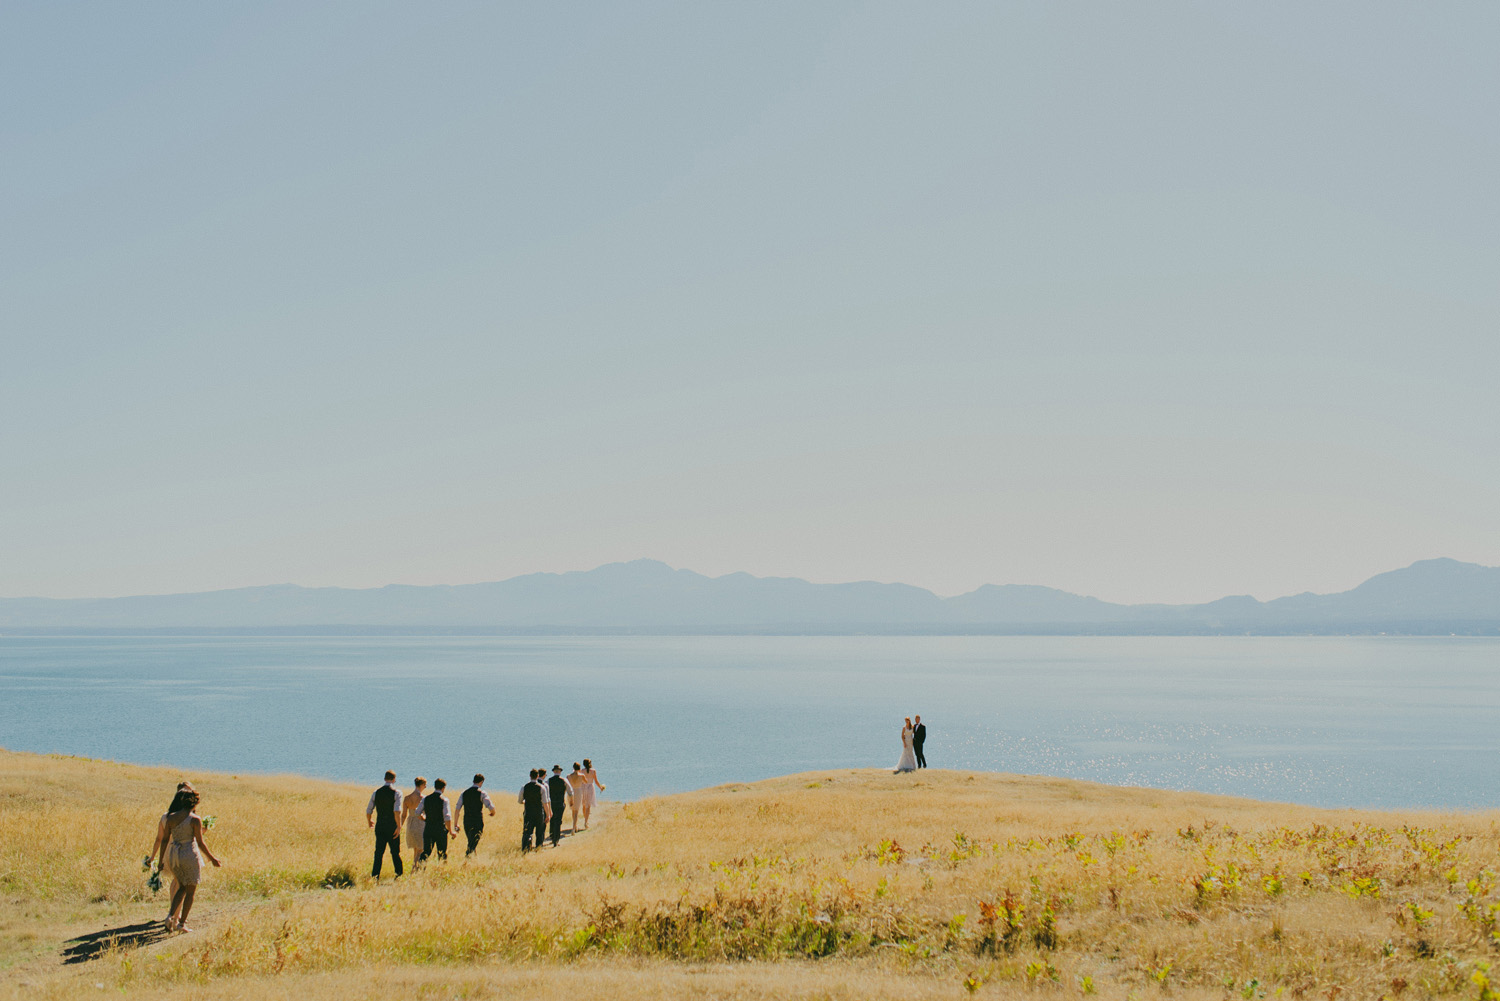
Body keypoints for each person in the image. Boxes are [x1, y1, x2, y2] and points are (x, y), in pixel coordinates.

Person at [159, 786, 222, 932]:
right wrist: (212, 858)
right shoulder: (195, 819)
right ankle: (181, 924)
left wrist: (162, 860)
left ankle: (170, 917)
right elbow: (200, 842)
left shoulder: (171, 818)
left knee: (181, 886)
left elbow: (164, 840)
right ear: (194, 803)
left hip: (174, 856)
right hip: (189, 854)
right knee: (190, 890)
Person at [148, 782, 194, 905]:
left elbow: (159, 839)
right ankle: (174, 914)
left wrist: (154, 857)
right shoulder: (188, 816)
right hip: (181, 852)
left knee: (177, 881)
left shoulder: (165, 816)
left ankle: (173, 911)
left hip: (168, 853)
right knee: (180, 883)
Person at [366, 770, 404, 879]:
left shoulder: (376, 792)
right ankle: (398, 875)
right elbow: (397, 811)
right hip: (392, 825)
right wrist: (399, 826)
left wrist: (370, 821)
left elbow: (369, 810)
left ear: (384, 779)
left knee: (378, 852)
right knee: (395, 852)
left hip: (380, 825)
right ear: (394, 779)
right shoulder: (397, 793)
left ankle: (375, 876)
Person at [454, 773, 496, 857]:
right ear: (481, 782)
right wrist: (492, 813)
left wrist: (456, 823)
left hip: (467, 821)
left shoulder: (464, 793)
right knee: (474, 841)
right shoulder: (482, 793)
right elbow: (490, 806)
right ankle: (467, 857)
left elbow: (457, 809)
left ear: (473, 781)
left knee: (471, 841)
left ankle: (473, 860)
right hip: (477, 821)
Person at [419, 778, 454, 862]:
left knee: (426, 851)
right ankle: (441, 870)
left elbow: (417, 812)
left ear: (435, 786)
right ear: (443, 788)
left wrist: (424, 819)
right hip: (440, 829)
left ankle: (420, 868)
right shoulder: (444, 800)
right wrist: (450, 830)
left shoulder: (426, 799)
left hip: (428, 828)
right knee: (442, 852)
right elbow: (447, 817)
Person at [518, 769, 551, 852]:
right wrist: (548, 814)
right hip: (539, 813)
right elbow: (545, 803)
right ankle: (538, 848)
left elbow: (520, 801)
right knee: (539, 832)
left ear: (530, 776)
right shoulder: (542, 788)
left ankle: (526, 848)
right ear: (537, 776)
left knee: (527, 832)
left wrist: (525, 801)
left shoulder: (524, 787)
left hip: (528, 812)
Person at [402, 777, 428, 861]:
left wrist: (399, 826)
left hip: (410, 824)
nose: (425, 787)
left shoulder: (407, 798)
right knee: (421, 849)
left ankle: (415, 867)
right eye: (425, 785)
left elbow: (403, 815)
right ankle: (415, 868)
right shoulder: (423, 798)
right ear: (422, 785)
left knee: (416, 850)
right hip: (420, 823)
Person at [546, 765, 572, 846]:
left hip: (552, 803)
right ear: (560, 772)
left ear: (554, 771)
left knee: (552, 819)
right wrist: (571, 801)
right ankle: (556, 840)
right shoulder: (564, 780)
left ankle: (552, 835)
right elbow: (570, 792)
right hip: (560, 803)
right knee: (558, 820)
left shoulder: (549, 781)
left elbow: (545, 791)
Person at [578, 758, 605, 830]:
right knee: (588, 805)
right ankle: (586, 821)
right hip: (590, 787)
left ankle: (585, 819)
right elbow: (596, 781)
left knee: (584, 804)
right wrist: (600, 787)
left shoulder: (581, 771)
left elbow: (580, 781)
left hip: (583, 787)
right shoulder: (593, 771)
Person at [566, 763, 586, 834]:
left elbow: (566, 785)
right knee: (576, 810)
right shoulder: (582, 775)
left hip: (571, 792)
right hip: (578, 791)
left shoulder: (568, 776)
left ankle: (575, 826)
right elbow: (585, 782)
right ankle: (574, 828)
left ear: (573, 768)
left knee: (573, 809)